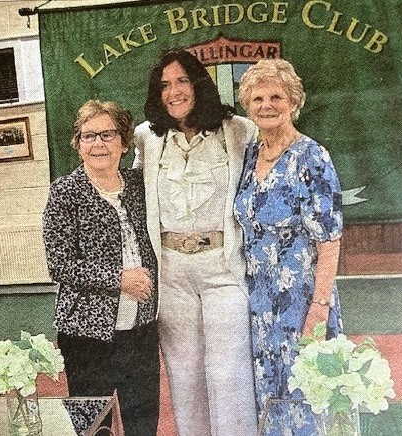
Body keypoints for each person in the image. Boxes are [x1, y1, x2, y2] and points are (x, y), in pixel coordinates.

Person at [133, 49, 258, 436]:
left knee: (227, 372)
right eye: (165, 85)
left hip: (222, 268)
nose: (174, 92)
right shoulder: (146, 138)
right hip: (171, 272)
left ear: (198, 83)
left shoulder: (238, 130)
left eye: (182, 81)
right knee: (184, 375)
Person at [234, 58, 343, 434]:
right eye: (258, 97)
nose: (266, 105)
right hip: (260, 303)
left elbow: (330, 240)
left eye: (276, 97)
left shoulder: (312, 157)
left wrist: (320, 307)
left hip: (301, 300)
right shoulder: (249, 155)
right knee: (270, 397)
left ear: (294, 103)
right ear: (247, 105)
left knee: (306, 396)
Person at [42, 100, 159, 436]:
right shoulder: (65, 192)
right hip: (86, 334)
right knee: (94, 425)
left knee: (143, 421)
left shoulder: (139, 185)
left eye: (107, 135)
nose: (97, 144)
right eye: (88, 136)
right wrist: (119, 279)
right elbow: (60, 264)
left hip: (141, 331)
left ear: (124, 143)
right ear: (77, 145)